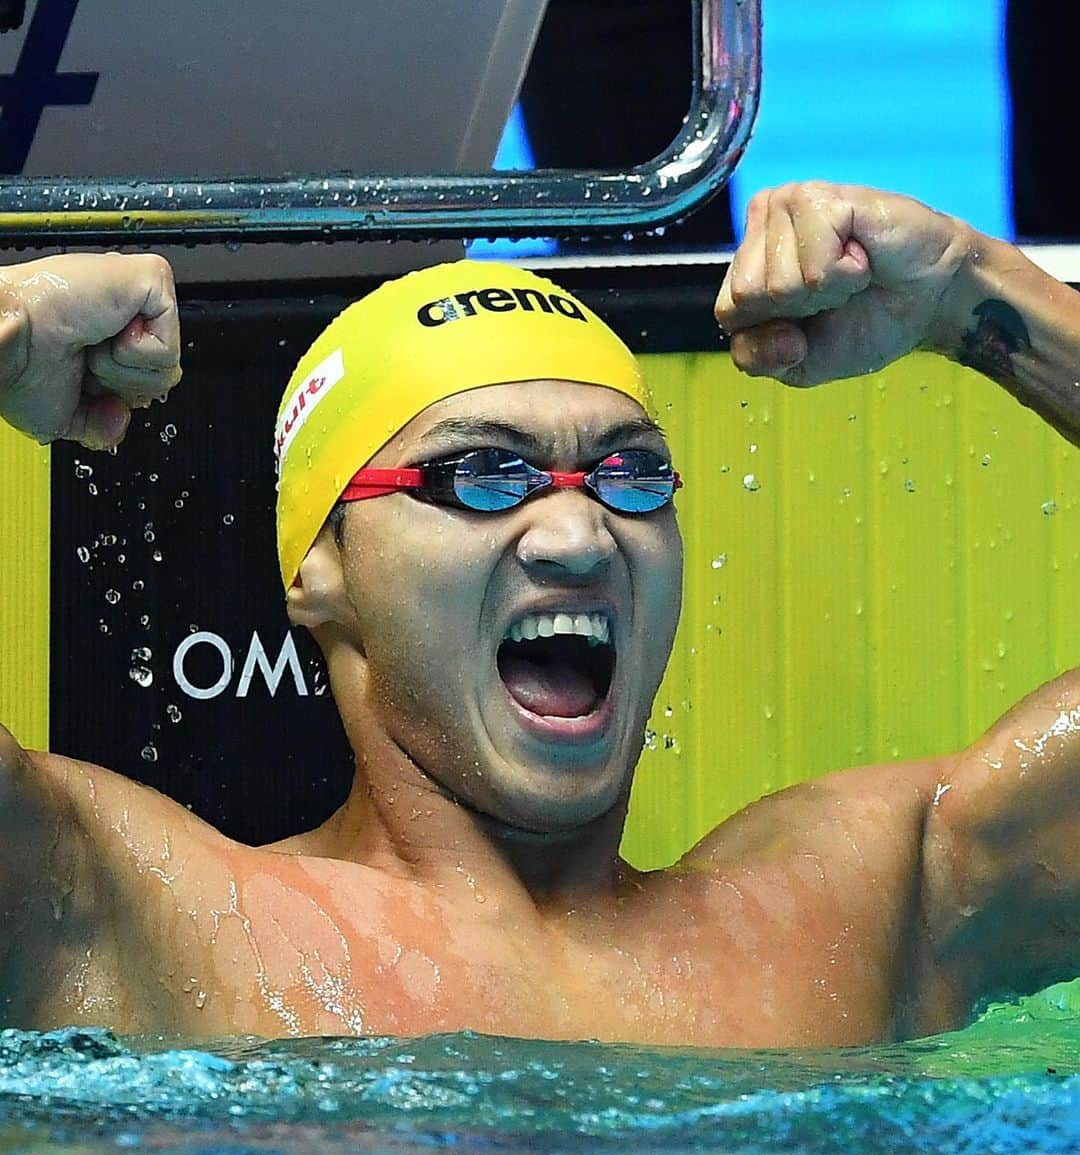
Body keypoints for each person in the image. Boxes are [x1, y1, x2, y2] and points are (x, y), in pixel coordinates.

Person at [0, 182, 1078, 1047]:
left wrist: (974, 294)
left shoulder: (858, 914)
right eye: (480, 473)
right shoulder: (131, 911)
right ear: (320, 566)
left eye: (631, 475)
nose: (578, 536)